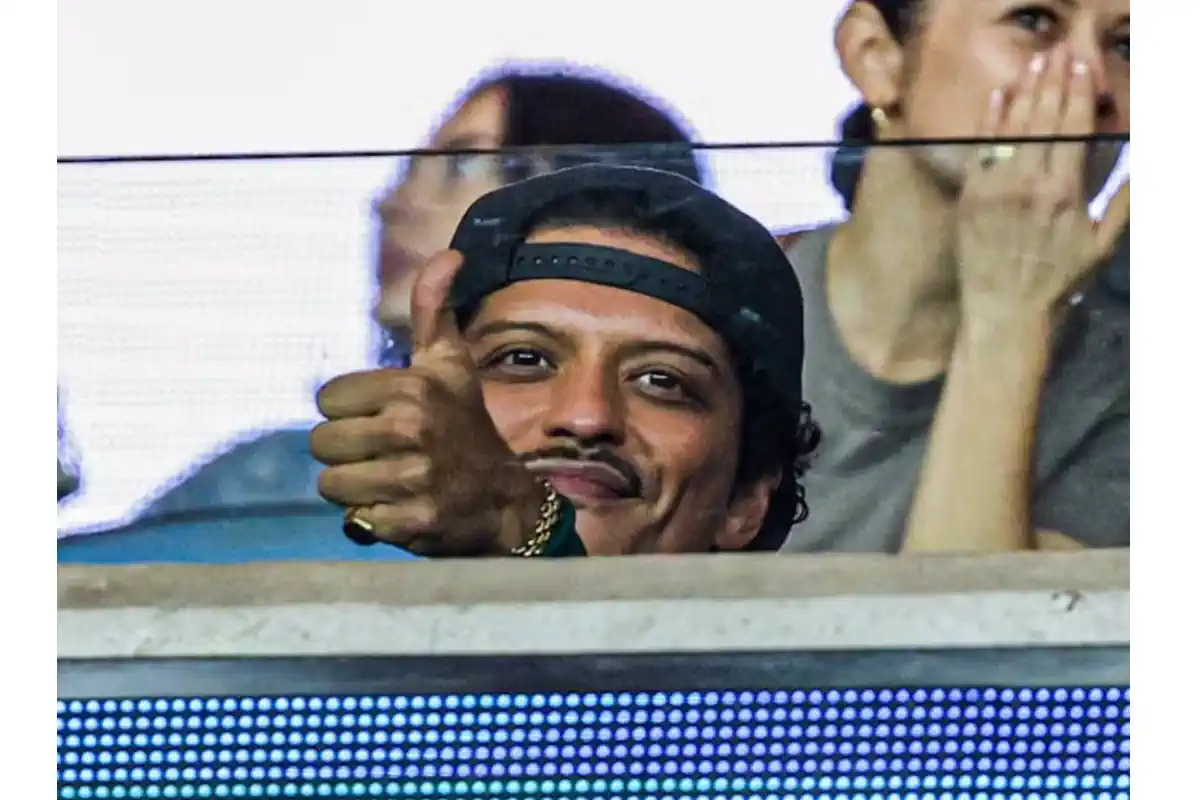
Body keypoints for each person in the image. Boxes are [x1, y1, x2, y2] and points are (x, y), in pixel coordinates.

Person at [58, 66, 704, 562]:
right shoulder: (276, 478)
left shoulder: (688, 482)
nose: (391, 203)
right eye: (410, 170)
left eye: (463, 164)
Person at [312, 164, 819, 556]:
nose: (586, 416)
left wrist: (524, 529)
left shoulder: (815, 693)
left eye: (661, 380)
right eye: (525, 358)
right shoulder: (308, 665)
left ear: (746, 500)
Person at [779, 0, 1130, 553]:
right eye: (1034, 22)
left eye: (1127, 48)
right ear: (876, 57)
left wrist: (1011, 315)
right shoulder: (722, 306)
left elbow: (969, 627)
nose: (1094, 83)